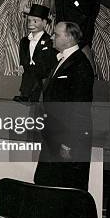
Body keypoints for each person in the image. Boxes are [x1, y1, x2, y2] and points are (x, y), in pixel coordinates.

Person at [34, 21, 94, 191]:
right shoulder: (61, 59)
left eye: (57, 34)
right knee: (46, 184)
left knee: (63, 188)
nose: (52, 37)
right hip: (53, 136)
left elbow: (80, 108)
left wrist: (68, 144)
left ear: (69, 38)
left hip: (66, 141)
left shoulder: (80, 65)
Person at [13, 4, 57, 103]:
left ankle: (27, 96)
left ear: (44, 23)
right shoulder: (24, 41)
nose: (30, 24)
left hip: (44, 72)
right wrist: (21, 66)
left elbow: (51, 60)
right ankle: (26, 95)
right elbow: (23, 57)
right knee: (30, 73)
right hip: (29, 74)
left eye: (35, 21)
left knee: (35, 76)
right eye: (29, 21)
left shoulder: (49, 41)